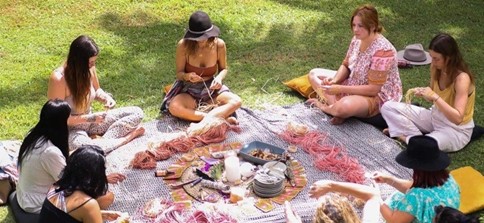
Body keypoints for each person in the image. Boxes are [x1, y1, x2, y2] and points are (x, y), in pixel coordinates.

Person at [286, 135, 460, 223]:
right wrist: (390, 180)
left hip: (400, 217)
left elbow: (393, 220)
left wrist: (377, 198)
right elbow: (415, 187)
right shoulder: (449, 180)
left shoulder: (417, 198)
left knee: (376, 202)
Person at [15, 100, 126, 216]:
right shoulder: (50, 152)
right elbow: (70, 184)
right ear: (61, 122)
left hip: (25, 195)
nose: (72, 120)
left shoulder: (34, 136)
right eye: (69, 117)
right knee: (107, 197)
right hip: (36, 204)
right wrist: (101, 179)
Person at [48, 35, 145, 153]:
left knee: (137, 113)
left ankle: (102, 143)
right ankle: (125, 139)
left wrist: (106, 98)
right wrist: (91, 118)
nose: (93, 66)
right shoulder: (59, 79)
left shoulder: (89, 69)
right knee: (88, 148)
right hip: (71, 130)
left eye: (94, 62)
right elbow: (57, 119)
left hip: (92, 122)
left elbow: (97, 89)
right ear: (78, 61)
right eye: (90, 63)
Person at [307, 4, 402, 125]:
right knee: (314, 74)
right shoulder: (357, 39)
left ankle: (327, 108)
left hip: (377, 96)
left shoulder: (383, 51)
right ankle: (336, 109)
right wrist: (334, 80)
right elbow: (346, 65)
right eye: (354, 25)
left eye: (360, 26)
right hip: (354, 82)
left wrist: (340, 88)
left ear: (372, 26)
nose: (355, 29)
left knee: (345, 106)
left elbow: (373, 89)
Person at [381, 33, 475, 152]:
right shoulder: (436, 68)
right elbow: (432, 97)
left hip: (455, 129)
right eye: (431, 57)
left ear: (449, 57)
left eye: (436, 59)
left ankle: (403, 136)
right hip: (435, 116)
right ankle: (417, 139)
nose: (433, 62)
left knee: (426, 146)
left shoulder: (462, 78)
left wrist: (435, 97)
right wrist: (425, 93)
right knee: (387, 107)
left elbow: (457, 118)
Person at [160, 11, 242, 124]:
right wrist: (187, 76)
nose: (201, 40)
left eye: (204, 36)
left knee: (236, 101)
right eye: (197, 37)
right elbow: (179, 73)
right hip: (189, 91)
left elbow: (224, 69)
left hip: (211, 90)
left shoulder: (219, 45)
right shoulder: (183, 45)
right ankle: (216, 118)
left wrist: (218, 79)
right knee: (174, 107)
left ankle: (203, 117)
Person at [38, 145, 125, 223]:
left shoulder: (55, 187)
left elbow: (61, 216)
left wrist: (100, 214)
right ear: (94, 174)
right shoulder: (88, 204)